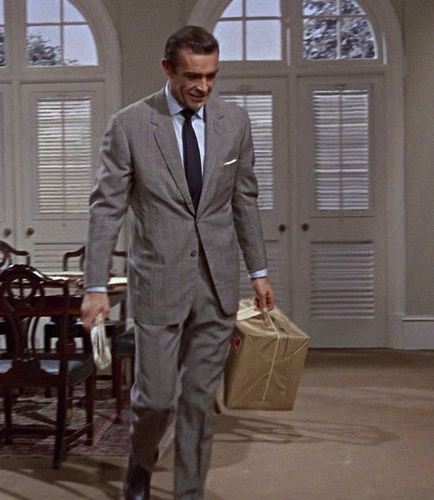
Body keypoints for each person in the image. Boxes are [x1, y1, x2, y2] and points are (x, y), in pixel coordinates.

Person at [80, 25, 275, 500]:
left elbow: (244, 200)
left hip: (216, 282)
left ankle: (189, 492)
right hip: (158, 283)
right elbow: (106, 209)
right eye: (192, 76)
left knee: (198, 402)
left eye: (211, 76)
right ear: (168, 69)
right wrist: (95, 286)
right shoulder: (129, 125)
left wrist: (259, 272)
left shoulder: (235, 122)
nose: (203, 87)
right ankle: (141, 461)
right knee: (155, 399)